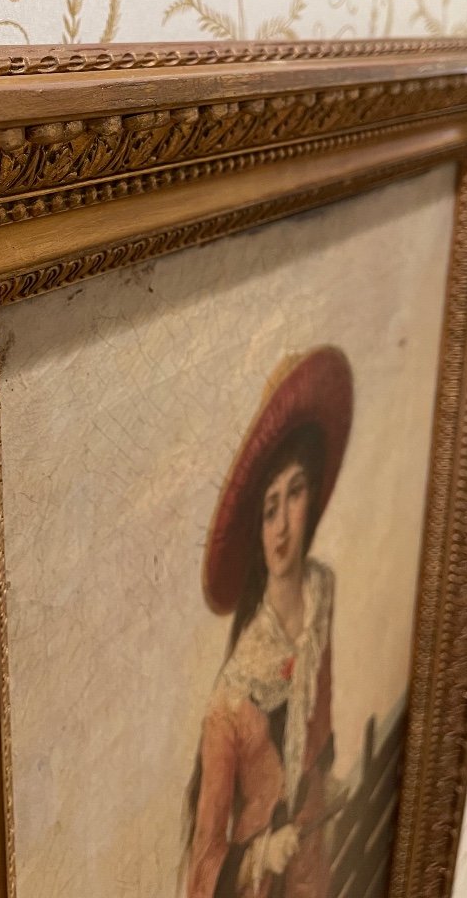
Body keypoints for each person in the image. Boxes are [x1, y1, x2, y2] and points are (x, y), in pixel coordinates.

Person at [184, 347, 353, 898]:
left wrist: (327, 785)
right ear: (257, 531)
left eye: (295, 494)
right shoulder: (230, 703)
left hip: (314, 865)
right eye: (269, 508)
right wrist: (258, 854)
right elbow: (204, 865)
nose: (282, 527)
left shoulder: (320, 593)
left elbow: (319, 726)